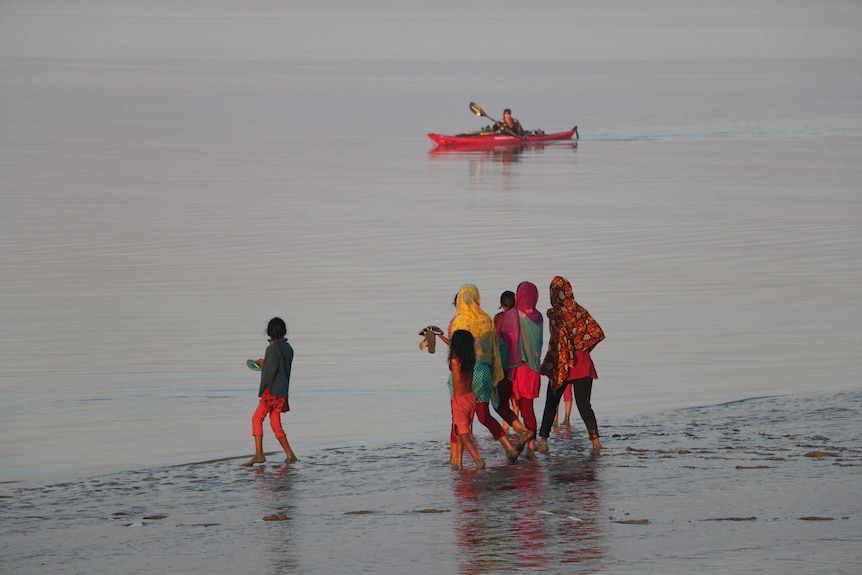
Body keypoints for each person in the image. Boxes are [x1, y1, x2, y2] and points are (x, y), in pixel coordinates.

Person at [437, 285, 520, 464]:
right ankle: (508, 446)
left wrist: (439, 337)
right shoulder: (486, 319)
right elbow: (494, 347)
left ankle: (455, 458)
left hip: (462, 377)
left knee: (458, 422)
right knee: (484, 415)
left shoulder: (457, 321)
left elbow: (454, 348)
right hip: (484, 371)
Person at [537, 276, 606, 453]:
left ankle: (543, 441)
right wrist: (584, 350)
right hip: (582, 363)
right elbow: (596, 333)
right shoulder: (580, 311)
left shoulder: (554, 314)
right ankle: (596, 442)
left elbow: (556, 343)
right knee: (584, 404)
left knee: (551, 402)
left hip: (562, 366)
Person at [244, 317, 298, 466]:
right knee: (275, 424)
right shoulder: (289, 348)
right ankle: (290, 455)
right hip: (282, 393)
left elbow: (269, 373)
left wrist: (262, 390)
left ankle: (259, 454)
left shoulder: (272, 349)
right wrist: (267, 362)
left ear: (269, 333)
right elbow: (280, 367)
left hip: (272, 392)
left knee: (256, 419)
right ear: (284, 331)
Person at [498, 282, 543, 459]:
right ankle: (531, 450)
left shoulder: (512, 315)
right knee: (528, 409)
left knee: (506, 405)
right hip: (533, 369)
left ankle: (522, 437)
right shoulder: (538, 317)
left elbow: (503, 340)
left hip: (516, 368)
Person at [493, 290, 532, 441]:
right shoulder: (521, 317)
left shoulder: (499, 317)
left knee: (502, 400)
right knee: (517, 399)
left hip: (504, 363)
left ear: (502, 305)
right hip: (521, 363)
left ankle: (509, 427)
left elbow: (495, 338)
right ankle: (517, 428)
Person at [448, 330, 485, 470]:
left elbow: (452, 356)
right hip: (471, 398)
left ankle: (478, 459)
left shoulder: (454, 361)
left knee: (463, 435)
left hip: (459, 400)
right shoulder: (470, 359)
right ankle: (458, 462)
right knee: (459, 432)